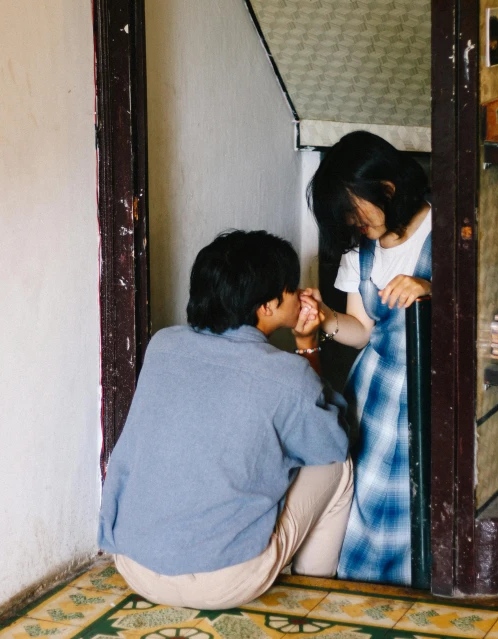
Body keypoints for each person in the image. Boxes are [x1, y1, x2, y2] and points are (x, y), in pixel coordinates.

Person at [98, 230, 353, 609]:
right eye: (291, 288)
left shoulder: (163, 345)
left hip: (135, 565)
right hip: (223, 582)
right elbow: (331, 443)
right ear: (266, 306)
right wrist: (306, 346)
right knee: (338, 464)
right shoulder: (285, 374)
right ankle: (314, 589)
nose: (300, 295)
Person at [306, 131, 431, 586]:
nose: (352, 223)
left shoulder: (446, 229)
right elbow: (362, 333)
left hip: (426, 393)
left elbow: (478, 314)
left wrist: (431, 291)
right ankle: (363, 598)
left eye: (354, 210)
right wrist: (325, 318)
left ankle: (415, 592)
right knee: (363, 497)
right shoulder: (361, 251)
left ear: (387, 188)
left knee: (413, 501)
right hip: (374, 391)